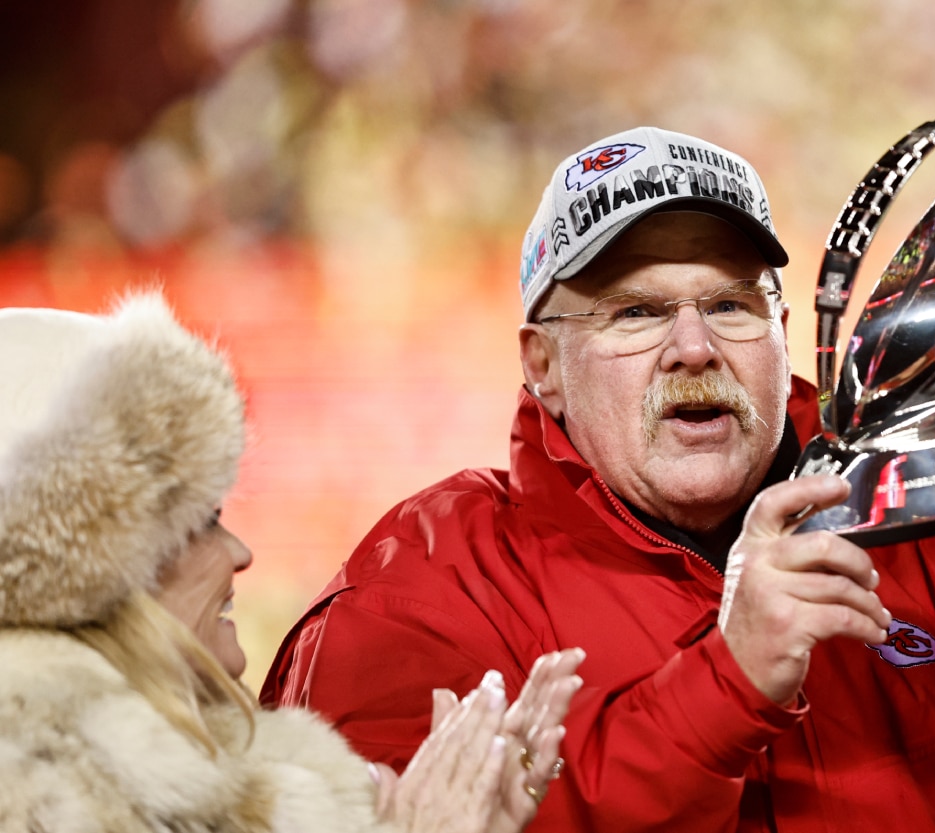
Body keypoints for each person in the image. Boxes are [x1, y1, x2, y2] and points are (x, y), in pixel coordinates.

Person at [261, 126, 935, 831]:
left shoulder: (931, 544)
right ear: (541, 363)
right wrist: (720, 685)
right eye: (634, 311)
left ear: (783, 336)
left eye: (732, 303)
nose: (693, 346)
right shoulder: (421, 582)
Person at [0, 291, 584, 832]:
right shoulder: (50, 800)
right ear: (81, 567)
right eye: (199, 523)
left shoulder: (218, 782)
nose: (240, 553)